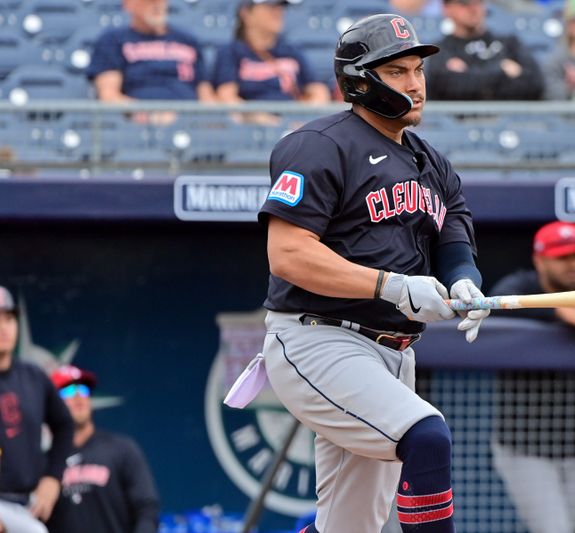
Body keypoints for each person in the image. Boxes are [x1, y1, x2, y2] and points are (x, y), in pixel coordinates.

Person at [224, 14, 489, 533]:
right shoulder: (319, 144)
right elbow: (290, 254)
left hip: (394, 353)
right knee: (427, 434)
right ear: (360, 79)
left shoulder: (433, 162)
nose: (414, 83)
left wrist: (464, 282)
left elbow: (454, 240)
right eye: (397, 71)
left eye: (417, 69)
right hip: (320, 339)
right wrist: (390, 285)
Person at [488, 221, 575, 533]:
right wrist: (561, 310)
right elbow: (496, 302)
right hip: (524, 449)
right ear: (540, 260)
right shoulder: (523, 284)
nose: (574, 264)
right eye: (563, 256)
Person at [46, 365, 160, 533]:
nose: (78, 396)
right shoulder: (45, 462)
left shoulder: (121, 449)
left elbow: (146, 508)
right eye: (68, 391)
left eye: (83, 389)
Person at [0, 286, 73, 533]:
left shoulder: (33, 376)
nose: (4, 327)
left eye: (8, 318)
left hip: (29, 504)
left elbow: (64, 425)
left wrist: (53, 478)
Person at [87, 0, 215, 103]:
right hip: (135, 126)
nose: (157, 5)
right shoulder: (113, 39)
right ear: (128, 4)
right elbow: (109, 96)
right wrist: (147, 114)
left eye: (160, 0)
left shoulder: (188, 40)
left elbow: (205, 94)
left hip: (187, 122)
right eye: (149, 1)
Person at [213, 0, 330, 106]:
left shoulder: (292, 51)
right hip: (251, 126)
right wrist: (257, 118)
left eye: (280, 7)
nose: (278, 12)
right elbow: (227, 97)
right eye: (270, 6)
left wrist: (304, 121)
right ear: (246, 13)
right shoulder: (230, 52)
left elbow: (319, 91)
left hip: (292, 124)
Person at [426, 0, 546, 100]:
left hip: (509, 122)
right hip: (458, 123)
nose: (473, 8)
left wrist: (468, 73)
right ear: (446, 8)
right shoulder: (440, 50)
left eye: (478, 2)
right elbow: (448, 88)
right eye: (464, 3)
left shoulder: (509, 42)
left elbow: (536, 84)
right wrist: (502, 70)